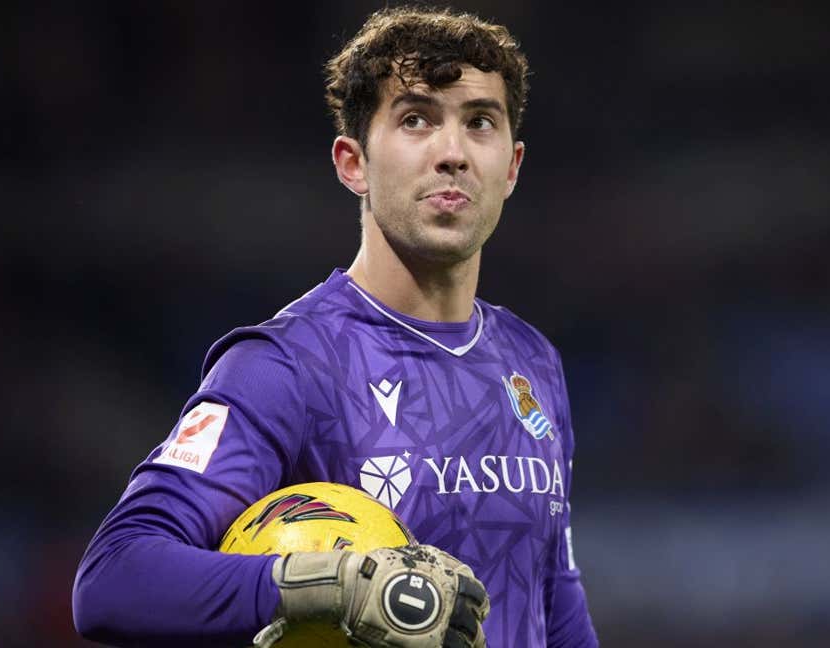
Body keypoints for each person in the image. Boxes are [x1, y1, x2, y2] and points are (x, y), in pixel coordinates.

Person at [73, 6, 597, 647]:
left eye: (479, 122)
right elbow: (113, 577)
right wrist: (330, 586)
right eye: (415, 120)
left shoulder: (532, 360)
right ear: (353, 164)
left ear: (511, 167)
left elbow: (557, 605)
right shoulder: (283, 366)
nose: (453, 153)